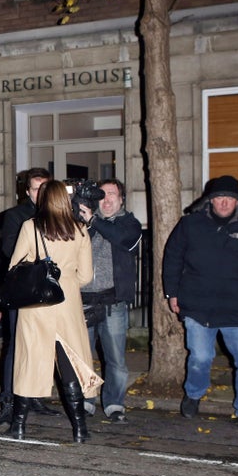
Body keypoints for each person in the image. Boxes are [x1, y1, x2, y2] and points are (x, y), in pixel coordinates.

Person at [163, 175, 238, 428]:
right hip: (197, 305)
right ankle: (194, 394)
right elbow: (172, 258)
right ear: (210, 201)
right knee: (201, 358)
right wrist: (172, 293)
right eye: (218, 198)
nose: (224, 202)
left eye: (229, 198)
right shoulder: (190, 225)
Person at [8, 180, 101, 443]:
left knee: (29, 362)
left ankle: (19, 426)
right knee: (69, 364)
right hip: (67, 304)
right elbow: (85, 275)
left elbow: (15, 267)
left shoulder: (31, 226)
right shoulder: (80, 229)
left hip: (37, 305)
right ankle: (80, 429)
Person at [0, 168, 59, 423]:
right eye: (35, 189)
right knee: (16, 345)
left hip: (49, 290)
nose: (40, 194)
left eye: (45, 188)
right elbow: (9, 248)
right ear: (27, 191)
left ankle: (35, 396)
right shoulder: (15, 216)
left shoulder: (58, 214)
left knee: (44, 345)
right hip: (23, 288)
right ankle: (9, 399)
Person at [77, 179, 142, 423]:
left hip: (113, 302)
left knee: (115, 358)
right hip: (84, 300)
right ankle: (86, 401)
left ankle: (114, 403)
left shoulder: (129, 223)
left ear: (122, 199)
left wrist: (94, 220)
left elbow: (124, 241)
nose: (107, 199)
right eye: (102, 195)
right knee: (83, 356)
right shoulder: (85, 223)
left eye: (112, 194)